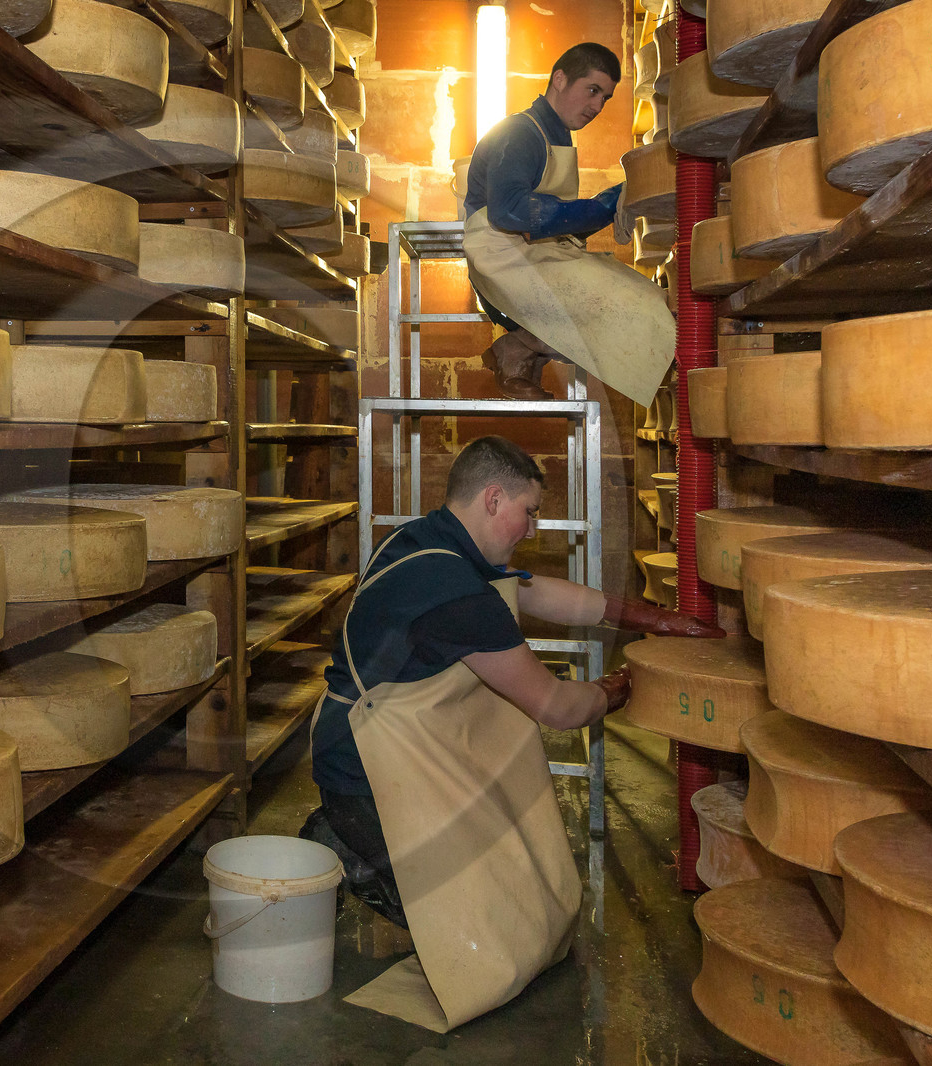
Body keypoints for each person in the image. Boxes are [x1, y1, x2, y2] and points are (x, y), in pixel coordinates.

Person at [302, 435, 721, 1027]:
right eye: (529, 512)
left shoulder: (427, 540)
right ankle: (348, 847)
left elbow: (545, 593)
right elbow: (556, 706)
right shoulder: (454, 595)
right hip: (367, 770)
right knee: (483, 929)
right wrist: (630, 683)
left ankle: (361, 840)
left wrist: (659, 618)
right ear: (494, 499)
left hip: (400, 751)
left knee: (517, 887)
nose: (532, 527)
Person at [462, 43, 675, 404]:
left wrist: (620, 198)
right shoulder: (519, 133)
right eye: (592, 91)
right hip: (503, 263)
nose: (597, 106)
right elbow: (510, 211)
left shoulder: (556, 138)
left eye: (605, 98)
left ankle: (519, 351)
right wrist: (602, 207)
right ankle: (519, 348)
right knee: (626, 307)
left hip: (537, 254)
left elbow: (556, 220)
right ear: (559, 79)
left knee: (649, 303)